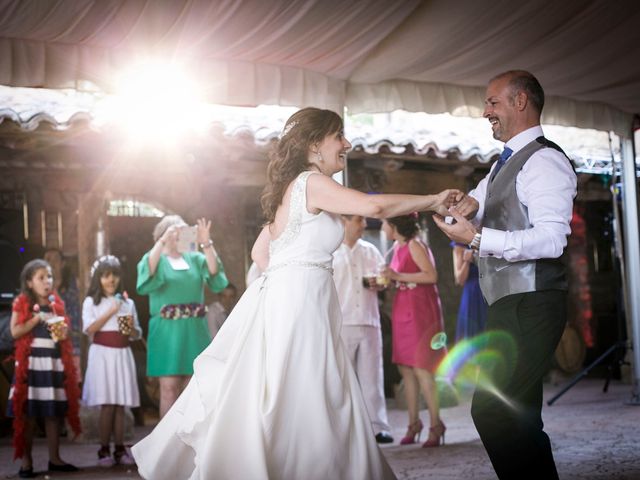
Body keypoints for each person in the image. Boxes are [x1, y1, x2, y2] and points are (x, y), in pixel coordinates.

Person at [131, 107, 460, 479]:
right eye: (339, 136)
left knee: (297, 390)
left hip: (296, 296)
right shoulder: (311, 182)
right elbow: (374, 206)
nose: (347, 144)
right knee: (309, 390)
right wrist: (433, 200)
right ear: (315, 145)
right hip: (302, 300)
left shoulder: (292, 190)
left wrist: (287, 277)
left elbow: (260, 253)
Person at [434, 70, 577, 480]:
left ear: (520, 102)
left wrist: (477, 239)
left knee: (493, 410)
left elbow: (552, 240)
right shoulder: (501, 167)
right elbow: (472, 205)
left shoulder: (545, 161)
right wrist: (452, 207)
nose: (485, 112)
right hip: (508, 303)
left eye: (493, 102)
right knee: (521, 417)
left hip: (534, 302)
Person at [136, 216, 228, 418]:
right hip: (167, 332)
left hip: (194, 330)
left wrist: (206, 242)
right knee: (168, 388)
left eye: (183, 230)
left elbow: (214, 272)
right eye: (175, 231)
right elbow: (146, 274)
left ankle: (189, 445)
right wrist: (162, 242)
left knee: (192, 388)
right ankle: (166, 447)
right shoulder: (155, 258)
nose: (180, 235)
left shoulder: (194, 258)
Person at [7, 259, 81, 478]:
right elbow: (14, 332)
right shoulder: (22, 303)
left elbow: (62, 337)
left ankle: (55, 459)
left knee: (53, 415)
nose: (47, 281)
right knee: (28, 414)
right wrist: (36, 319)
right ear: (29, 282)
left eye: (49, 276)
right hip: (31, 364)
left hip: (52, 363)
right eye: (41, 277)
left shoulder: (56, 302)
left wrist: (63, 332)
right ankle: (26, 462)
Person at [381, 214, 447, 448]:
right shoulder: (396, 248)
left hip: (420, 311)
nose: (382, 227)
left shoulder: (415, 245)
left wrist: (397, 275)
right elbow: (402, 277)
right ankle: (413, 423)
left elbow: (431, 276)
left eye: (385, 223)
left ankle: (436, 425)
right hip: (402, 310)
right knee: (405, 369)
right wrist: (388, 280)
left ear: (395, 225)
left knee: (422, 369)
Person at [333, 214, 393, 444]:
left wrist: (383, 283)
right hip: (342, 323)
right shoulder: (330, 253)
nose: (364, 225)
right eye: (359, 220)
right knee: (340, 378)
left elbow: (384, 279)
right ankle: (342, 428)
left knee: (373, 376)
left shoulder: (370, 250)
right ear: (344, 222)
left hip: (369, 319)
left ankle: (378, 428)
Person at [82, 255, 141, 467]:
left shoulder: (128, 303)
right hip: (102, 356)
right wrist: (112, 311)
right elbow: (89, 329)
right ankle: (103, 449)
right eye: (106, 276)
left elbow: (136, 333)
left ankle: (119, 448)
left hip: (122, 354)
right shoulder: (91, 302)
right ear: (98, 278)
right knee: (107, 404)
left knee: (120, 405)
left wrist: (131, 329)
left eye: (115, 275)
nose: (111, 280)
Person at [451, 242, 487, 342]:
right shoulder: (459, 247)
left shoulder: (487, 240)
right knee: (472, 329)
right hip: (473, 294)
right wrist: (467, 261)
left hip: (489, 289)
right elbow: (460, 280)